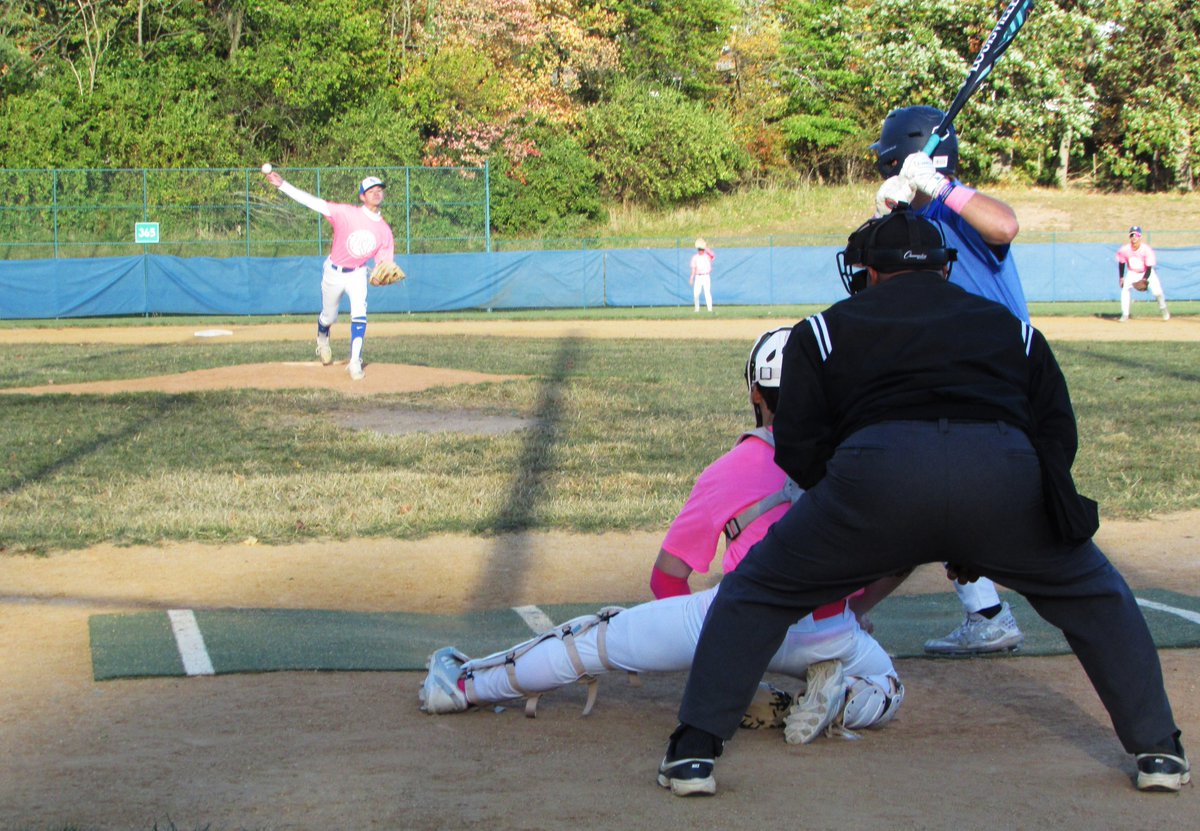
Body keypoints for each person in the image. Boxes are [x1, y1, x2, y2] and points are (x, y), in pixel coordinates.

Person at [654, 207, 1188, 798]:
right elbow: (1057, 434)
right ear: (944, 267)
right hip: (1005, 474)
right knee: (1099, 598)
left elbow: (800, 447)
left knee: (755, 591)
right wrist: (998, 523)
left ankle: (694, 753)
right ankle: (1159, 749)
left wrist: (856, 508)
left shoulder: (824, 328)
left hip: (877, 475)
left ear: (871, 273)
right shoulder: (1011, 327)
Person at [419, 329, 905, 756]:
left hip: (739, 618)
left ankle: (464, 686)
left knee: (594, 641)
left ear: (757, 393)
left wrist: (713, 650)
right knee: (887, 685)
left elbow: (666, 576)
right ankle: (838, 701)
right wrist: (856, 608)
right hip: (828, 631)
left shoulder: (729, 470)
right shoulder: (856, 462)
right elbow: (894, 561)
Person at [871, 105, 1025, 656]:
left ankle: (836, 616)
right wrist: (888, 219)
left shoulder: (961, 211)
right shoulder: (914, 222)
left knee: (940, 492)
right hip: (956, 380)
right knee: (939, 490)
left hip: (1002, 378)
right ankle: (986, 612)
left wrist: (940, 185)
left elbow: (1005, 224)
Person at [263, 169, 396, 381]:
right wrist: (283, 185)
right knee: (329, 316)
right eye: (371, 191)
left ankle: (355, 362)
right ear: (362, 196)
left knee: (359, 313)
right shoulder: (345, 213)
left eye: (379, 190)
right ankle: (322, 339)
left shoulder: (384, 231)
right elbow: (312, 202)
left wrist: (381, 277)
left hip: (358, 273)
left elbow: (384, 264)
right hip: (334, 272)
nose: (376, 193)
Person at [1117, 225, 1171, 321]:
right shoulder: (1125, 249)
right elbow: (1121, 263)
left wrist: (1144, 279)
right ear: (1129, 236)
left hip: (1146, 272)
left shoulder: (1146, 249)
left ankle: (1164, 310)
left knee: (1157, 292)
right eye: (1132, 234)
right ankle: (1125, 314)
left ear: (1140, 236)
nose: (1134, 237)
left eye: (1136, 234)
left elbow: (1149, 267)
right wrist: (1121, 278)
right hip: (1132, 272)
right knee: (1125, 289)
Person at [689, 238, 715, 312]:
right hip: (698, 277)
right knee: (696, 293)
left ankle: (709, 309)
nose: (700, 250)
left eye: (701, 249)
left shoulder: (707, 256)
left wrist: (705, 247)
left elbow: (713, 255)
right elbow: (693, 269)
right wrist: (691, 278)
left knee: (707, 292)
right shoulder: (695, 257)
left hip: (706, 276)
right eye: (699, 249)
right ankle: (697, 309)